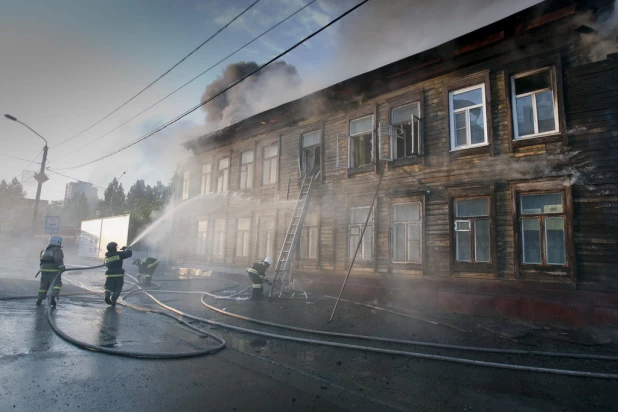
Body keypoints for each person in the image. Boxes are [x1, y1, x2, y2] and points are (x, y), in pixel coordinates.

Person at [36, 235, 66, 307]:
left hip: (44, 270)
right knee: (57, 285)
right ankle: (52, 298)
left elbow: (41, 258)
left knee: (43, 286)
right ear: (58, 242)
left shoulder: (45, 249)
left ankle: (39, 299)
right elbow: (58, 259)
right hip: (54, 270)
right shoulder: (57, 250)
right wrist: (62, 268)